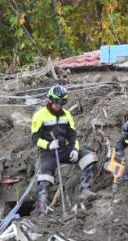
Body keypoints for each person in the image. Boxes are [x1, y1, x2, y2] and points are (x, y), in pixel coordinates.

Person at [30, 84, 98, 215]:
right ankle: (42, 207)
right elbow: (35, 139)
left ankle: (85, 190)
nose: (58, 106)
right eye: (56, 103)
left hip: (64, 150)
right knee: (45, 176)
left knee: (89, 157)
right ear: (50, 100)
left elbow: (72, 135)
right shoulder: (39, 115)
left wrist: (74, 149)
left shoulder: (67, 115)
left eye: (61, 104)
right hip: (48, 152)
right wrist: (49, 145)